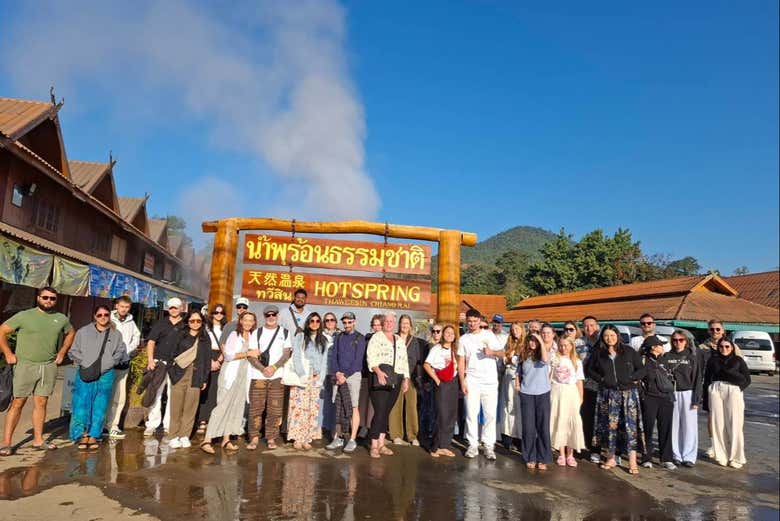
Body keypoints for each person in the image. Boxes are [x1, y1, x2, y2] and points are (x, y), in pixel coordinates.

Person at [0, 287, 75, 455]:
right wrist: (8, 353)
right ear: (38, 298)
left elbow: (71, 332)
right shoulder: (25, 316)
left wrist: (62, 352)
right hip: (25, 365)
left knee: (41, 402)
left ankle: (38, 440)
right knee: (18, 403)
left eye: (53, 298)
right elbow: (2, 331)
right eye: (45, 297)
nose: (49, 301)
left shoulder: (60, 318)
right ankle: (6, 443)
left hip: (47, 366)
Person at [67, 305, 128, 451]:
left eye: (106, 314)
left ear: (109, 316)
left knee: (100, 406)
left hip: (106, 374)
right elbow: (73, 351)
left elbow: (120, 351)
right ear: (95, 316)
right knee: (81, 404)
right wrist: (84, 362)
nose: (103, 317)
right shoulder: (83, 332)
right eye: (99, 315)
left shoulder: (116, 334)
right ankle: (81, 435)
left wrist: (110, 363)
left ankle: (94, 435)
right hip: (85, 372)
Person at [588, 324, 646, 475]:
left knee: (630, 428)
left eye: (612, 335)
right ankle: (611, 457)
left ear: (618, 336)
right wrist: (602, 379)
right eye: (606, 336)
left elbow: (642, 369)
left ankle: (632, 461)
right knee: (610, 427)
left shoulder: (628, 351)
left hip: (628, 394)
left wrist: (632, 378)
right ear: (602, 337)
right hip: (608, 394)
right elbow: (589, 369)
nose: (609, 338)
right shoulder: (598, 353)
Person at [202, 311, 258, 454]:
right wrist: (248, 354)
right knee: (222, 406)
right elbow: (228, 355)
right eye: (245, 320)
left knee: (235, 407)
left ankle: (226, 439)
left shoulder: (252, 336)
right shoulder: (234, 334)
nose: (248, 323)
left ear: (254, 323)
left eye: (250, 320)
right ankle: (207, 440)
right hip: (231, 374)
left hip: (243, 375)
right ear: (240, 321)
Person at [458, 308, 503, 460]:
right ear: (466, 322)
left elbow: (503, 352)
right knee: (472, 413)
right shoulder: (463, 339)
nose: (472, 324)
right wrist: (462, 381)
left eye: (475, 321)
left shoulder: (488, 335)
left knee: (490, 414)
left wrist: (492, 353)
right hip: (472, 380)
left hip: (489, 381)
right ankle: (473, 445)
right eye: (469, 321)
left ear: (479, 321)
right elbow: (461, 361)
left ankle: (489, 446)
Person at [247, 304, 292, 451]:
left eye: (274, 315)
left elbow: (286, 354)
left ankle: (271, 438)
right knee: (256, 408)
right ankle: (254, 438)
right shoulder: (257, 333)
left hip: (277, 376)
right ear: (264, 316)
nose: (271, 317)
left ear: (277, 316)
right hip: (258, 375)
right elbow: (251, 355)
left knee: (275, 409)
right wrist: (262, 368)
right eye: (268, 315)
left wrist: (274, 367)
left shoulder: (285, 332)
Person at [366, 312, 410, 458]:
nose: (389, 323)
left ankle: (382, 444)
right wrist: (378, 371)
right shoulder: (376, 337)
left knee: (386, 412)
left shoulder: (399, 340)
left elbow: (404, 361)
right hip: (380, 378)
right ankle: (373, 445)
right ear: (383, 322)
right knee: (379, 411)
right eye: (387, 321)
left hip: (396, 378)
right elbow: (370, 356)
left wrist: (406, 379)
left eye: (392, 321)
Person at [166, 311, 212, 449]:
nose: (195, 323)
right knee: (176, 406)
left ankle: (184, 435)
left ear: (202, 322)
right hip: (179, 373)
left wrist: (204, 378)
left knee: (190, 407)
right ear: (188, 322)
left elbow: (206, 359)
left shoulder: (205, 338)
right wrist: (171, 372)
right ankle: (173, 435)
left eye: (198, 321)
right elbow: (170, 354)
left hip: (196, 375)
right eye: (192, 321)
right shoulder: (180, 335)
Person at [703, 337, 750, 468]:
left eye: (727, 346)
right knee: (718, 424)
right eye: (721, 346)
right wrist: (706, 400)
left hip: (733, 390)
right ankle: (721, 455)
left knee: (735, 424)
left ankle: (736, 457)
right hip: (716, 389)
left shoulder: (738, 360)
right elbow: (707, 379)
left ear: (732, 347)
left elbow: (747, 379)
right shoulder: (713, 360)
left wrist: (738, 389)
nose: (724, 349)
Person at [144, 297, 187, 436]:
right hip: (159, 362)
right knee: (155, 392)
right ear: (168, 309)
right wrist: (150, 360)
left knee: (173, 395)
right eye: (171, 308)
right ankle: (152, 424)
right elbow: (151, 342)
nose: (174, 310)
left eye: (176, 307)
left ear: (181, 308)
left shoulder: (185, 325)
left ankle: (169, 425)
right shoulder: (160, 323)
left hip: (176, 364)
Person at [287, 312, 329, 451]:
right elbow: (296, 357)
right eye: (312, 321)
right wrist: (301, 374)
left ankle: (306, 437)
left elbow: (324, 362)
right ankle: (297, 438)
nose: (315, 323)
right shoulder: (300, 337)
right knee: (299, 408)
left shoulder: (323, 340)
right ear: (308, 322)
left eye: (317, 321)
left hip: (316, 378)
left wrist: (321, 379)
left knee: (312, 409)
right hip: (303, 377)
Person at [326, 312, 366, 454]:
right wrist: (337, 373)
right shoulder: (339, 337)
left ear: (354, 322)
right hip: (339, 375)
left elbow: (358, 360)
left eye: (350, 322)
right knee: (337, 406)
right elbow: (334, 357)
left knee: (353, 406)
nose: (347, 325)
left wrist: (345, 375)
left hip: (353, 375)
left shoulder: (360, 338)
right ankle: (338, 437)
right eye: (345, 323)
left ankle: (352, 439)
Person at [664, 330, 703, 467]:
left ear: (686, 341)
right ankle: (676, 455)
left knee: (689, 426)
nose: (678, 342)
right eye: (675, 340)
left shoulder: (692, 357)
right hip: (672, 393)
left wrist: (696, 399)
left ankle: (689, 456)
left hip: (688, 393)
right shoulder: (667, 356)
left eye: (681, 340)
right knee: (674, 426)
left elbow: (698, 379)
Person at [105, 295, 141, 439]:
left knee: (119, 396)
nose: (124, 309)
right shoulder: (108, 319)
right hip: (108, 363)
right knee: (104, 394)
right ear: (116, 306)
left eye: (127, 307)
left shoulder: (131, 322)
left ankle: (113, 425)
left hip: (123, 363)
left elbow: (136, 338)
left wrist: (127, 351)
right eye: (122, 306)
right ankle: (100, 425)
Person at [640, 336, 676, 470]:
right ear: (653, 347)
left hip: (666, 398)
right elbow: (637, 379)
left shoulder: (665, 359)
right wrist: (643, 396)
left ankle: (666, 458)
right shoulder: (643, 360)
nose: (663, 347)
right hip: (650, 398)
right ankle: (646, 457)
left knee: (666, 428)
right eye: (660, 345)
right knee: (647, 428)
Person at [517, 333, 552, 469]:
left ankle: (543, 458)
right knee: (528, 427)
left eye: (535, 341)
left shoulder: (544, 353)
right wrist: (518, 386)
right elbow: (518, 373)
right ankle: (529, 456)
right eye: (530, 341)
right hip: (527, 394)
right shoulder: (523, 355)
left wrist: (541, 342)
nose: (532, 343)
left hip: (542, 393)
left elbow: (545, 359)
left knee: (543, 426)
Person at [549, 337, 586, 467]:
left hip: (571, 393)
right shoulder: (554, 359)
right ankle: (561, 454)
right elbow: (549, 378)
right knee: (560, 421)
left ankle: (570, 454)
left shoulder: (576, 361)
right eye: (561, 345)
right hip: (557, 393)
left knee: (571, 423)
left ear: (571, 346)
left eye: (566, 345)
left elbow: (579, 381)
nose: (563, 348)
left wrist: (580, 398)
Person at [423, 324, 459, 458]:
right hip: (441, 384)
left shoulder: (455, 350)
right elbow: (426, 365)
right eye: (447, 333)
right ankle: (434, 447)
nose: (449, 335)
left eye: (452, 333)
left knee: (451, 415)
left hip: (453, 383)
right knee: (441, 415)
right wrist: (436, 379)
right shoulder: (436, 349)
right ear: (443, 334)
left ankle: (444, 445)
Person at [389, 314, 423, 446]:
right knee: (395, 406)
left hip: (411, 378)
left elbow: (415, 360)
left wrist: (408, 378)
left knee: (411, 407)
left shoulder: (414, 341)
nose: (404, 325)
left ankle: (412, 435)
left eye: (407, 323)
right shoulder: (394, 338)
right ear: (399, 325)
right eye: (402, 323)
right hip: (396, 376)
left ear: (410, 326)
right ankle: (396, 434)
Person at [196, 304, 227, 434]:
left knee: (215, 389)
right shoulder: (205, 328)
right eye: (216, 312)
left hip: (221, 356)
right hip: (206, 356)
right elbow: (200, 344)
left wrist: (219, 359)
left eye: (221, 312)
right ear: (211, 313)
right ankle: (202, 419)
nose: (218, 315)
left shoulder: (226, 328)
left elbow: (228, 345)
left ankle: (211, 419)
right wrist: (209, 361)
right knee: (204, 388)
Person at [578, 315, 601, 464]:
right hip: (584, 386)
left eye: (592, 325)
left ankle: (598, 449)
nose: (589, 328)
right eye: (586, 326)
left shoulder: (604, 341)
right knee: (586, 419)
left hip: (601, 387)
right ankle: (588, 447)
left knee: (601, 420)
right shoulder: (578, 343)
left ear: (597, 326)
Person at [499, 321, 524, 449]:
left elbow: (521, 362)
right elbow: (503, 361)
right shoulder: (508, 344)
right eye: (513, 329)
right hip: (507, 377)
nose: (515, 331)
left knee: (517, 408)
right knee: (507, 407)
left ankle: (518, 438)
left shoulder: (525, 344)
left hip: (518, 378)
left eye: (517, 329)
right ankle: (507, 437)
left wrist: (510, 358)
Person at [358, 314, 383, 438]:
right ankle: (362, 426)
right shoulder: (366, 338)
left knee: (374, 404)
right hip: (365, 374)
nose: (376, 327)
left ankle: (370, 427)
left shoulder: (387, 340)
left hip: (379, 375)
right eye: (374, 325)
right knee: (363, 402)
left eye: (379, 325)